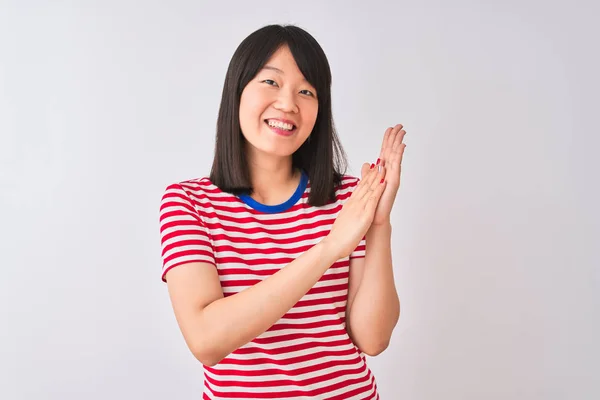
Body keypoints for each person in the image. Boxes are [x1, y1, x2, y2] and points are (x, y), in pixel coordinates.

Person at [158, 24, 406, 400]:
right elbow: (206, 340)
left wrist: (380, 225)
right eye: (271, 82)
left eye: (306, 91)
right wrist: (329, 249)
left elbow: (372, 339)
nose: (289, 103)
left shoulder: (350, 198)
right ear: (237, 91)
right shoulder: (189, 203)